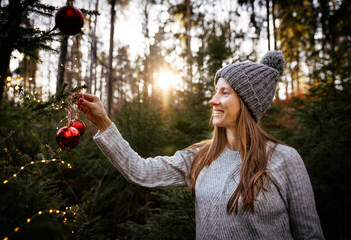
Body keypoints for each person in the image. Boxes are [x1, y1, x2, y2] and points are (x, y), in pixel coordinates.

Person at [77, 51, 324, 239]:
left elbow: (311, 236)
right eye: (215, 91)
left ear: (247, 103)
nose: (213, 100)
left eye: (224, 93)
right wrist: (103, 122)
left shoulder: (285, 160)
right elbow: (140, 171)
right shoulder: (200, 157)